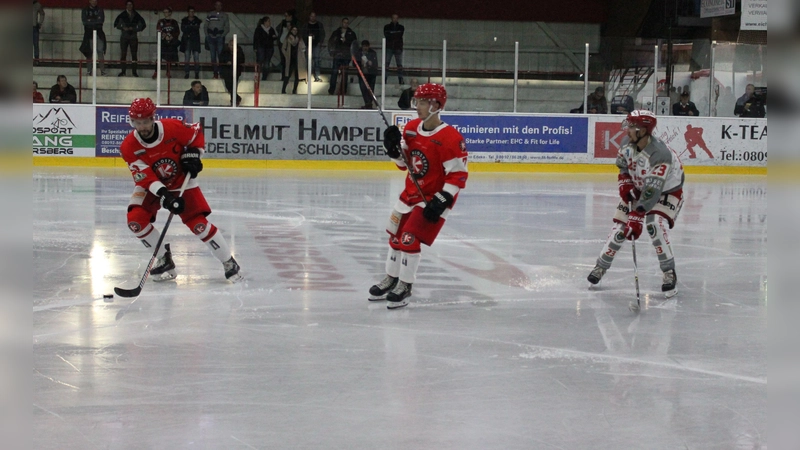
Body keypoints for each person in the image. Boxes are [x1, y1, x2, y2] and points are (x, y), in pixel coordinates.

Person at [120, 98, 242, 283]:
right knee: (135, 220)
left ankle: (229, 262)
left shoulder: (172, 128)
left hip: (181, 181)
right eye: (138, 123)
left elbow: (196, 133)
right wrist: (165, 196)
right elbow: (145, 177)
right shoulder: (129, 146)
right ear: (132, 122)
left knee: (197, 224)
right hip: (152, 188)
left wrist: (195, 154)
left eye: (145, 121)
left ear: (153, 118)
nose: (142, 127)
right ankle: (163, 259)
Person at [370, 83, 469, 309]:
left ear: (436, 105)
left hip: (433, 199)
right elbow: (404, 164)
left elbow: (458, 175)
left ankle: (405, 284)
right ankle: (391, 279)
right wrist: (393, 149)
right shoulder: (412, 128)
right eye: (416, 102)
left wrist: (443, 200)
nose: (417, 107)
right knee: (395, 237)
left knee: (409, 239)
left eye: (422, 102)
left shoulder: (450, 138)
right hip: (410, 195)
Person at [587, 110, 684, 299]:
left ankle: (668, 272)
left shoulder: (660, 154)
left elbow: (653, 190)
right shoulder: (626, 144)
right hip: (642, 188)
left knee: (654, 224)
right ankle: (600, 266)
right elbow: (623, 166)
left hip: (667, 192)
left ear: (643, 130)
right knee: (620, 229)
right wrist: (626, 185)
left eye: (632, 126)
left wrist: (637, 216)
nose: (627, 130)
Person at [113, 0, 146, 77]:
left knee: (134, 55)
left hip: (133, 37)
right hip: (124, 37)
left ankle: (134, 72)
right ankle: (123, 71)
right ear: (126, 6)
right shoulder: (122, 15)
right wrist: (123, 28)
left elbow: (142, 25)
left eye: (131, 5)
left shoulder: (136, 15)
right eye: (128, 5)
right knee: (123, 54)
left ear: (133, 6)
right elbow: (117, 24)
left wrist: (134, 28)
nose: (129, 6)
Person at [327, 17, 357, 95]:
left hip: (346, 56)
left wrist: (346, 41)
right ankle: (331, 90)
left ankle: (343, 90)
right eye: (344, 22)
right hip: (337, 55)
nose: (345, 24)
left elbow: (354, 44)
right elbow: (331, 42)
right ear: (342, 22)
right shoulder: (336, 32)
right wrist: (332, 53)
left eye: (347, 22)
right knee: (334, 72)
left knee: (345, 74)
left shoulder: (351, 33)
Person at [80, 0, 106, 76]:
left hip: (99, 34)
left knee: (100, 52)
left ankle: (103, 71)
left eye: (95, 1)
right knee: (89, 53)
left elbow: (101, 21)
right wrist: (95, 21)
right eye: (92, 0)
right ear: (89, 1)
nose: (94, 2)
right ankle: (89, 71)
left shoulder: (100, 10)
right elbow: (85, 22)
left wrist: (90, 21)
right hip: (89, 34)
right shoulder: (85, 10)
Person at [204, 1, 229, 79]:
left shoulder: (225, 15)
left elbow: (227, 28)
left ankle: (221, 72)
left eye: (220, 5)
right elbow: (206, 26)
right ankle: (215, 72)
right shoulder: (210, 14)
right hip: (211, 37)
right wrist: (207, 35)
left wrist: (222, 35)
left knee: (220, 56)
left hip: (219, 37)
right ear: (215, 6)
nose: (218, 7)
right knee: (213, 56)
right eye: (217, 5)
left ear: (222, 6)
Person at [280, 26, 306, 95]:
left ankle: (294, 90)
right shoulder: (288, 38)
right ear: (291, 30)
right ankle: (283, 90)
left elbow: (303, 48)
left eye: (296, 30)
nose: (294, 31)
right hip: (290, 59)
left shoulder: (300, 39)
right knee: (287, 75)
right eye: (293, 30)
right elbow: (283, 48)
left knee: (297, 76)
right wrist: (286, 56)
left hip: (297, 59)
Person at [300, 11, 325, 83]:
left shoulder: (319, 25)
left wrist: (320, 42)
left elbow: (322, 34)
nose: (313, 18)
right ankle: (308, 76)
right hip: (307, 45)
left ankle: (317, 76)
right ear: (309, 17)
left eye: (314, 16)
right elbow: (302, 34)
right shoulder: (305, 25)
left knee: (317, 60)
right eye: (312, 16)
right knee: (308, 61)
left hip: (316, 44)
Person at [219, 39, 244, 105]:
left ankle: (233, 100)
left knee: (233, 86)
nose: (232, 47)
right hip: (226, 71)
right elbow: (221, 59)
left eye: (234, 45)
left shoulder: (239, 51)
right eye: (231, 45)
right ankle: (236, 98)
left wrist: (233, 62)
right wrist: (226, 61)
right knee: (228, 86)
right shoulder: (224, 51)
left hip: (236, 71)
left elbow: (242, 59)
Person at [354, 40, 378, 108]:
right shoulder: (358, 53)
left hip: (371, 74)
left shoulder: (372, 53)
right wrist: (359, 63)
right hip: (362, 74)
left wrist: (371, 64)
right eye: (364, 46)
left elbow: (375, 64)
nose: (365, 48)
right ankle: (368, 103)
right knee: (363, 89)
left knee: (370, 89)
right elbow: (354, 63)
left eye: (366, 46)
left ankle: (369, 103)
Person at [180, 6, 202, 79]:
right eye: (190, 11)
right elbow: (183, 29)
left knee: (196, 57)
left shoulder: (197, 20)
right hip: (187, 41)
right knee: (187, 57)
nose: (191, 13)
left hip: (195, 41)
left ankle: (196, 73)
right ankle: (187, 72)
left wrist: (189, 28)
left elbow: (196, 28)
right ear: (188, 12)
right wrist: (191, 27)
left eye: (193, 11)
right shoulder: (184, 20)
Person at [253, 16, 277, 81]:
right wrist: (255, 47)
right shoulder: (259, 29)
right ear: (265, 22)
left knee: (267, 63)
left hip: (269, 48)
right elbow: (255, 38)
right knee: (260, 61)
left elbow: (274, 37)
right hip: (261, 47)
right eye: (268, 21)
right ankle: (257, 75)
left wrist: (273, 37)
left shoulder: (271, 29)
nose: (270, 22)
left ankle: (264, 77)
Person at [383, 14, 405, 84]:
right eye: (393, 18)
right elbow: (387, 35)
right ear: (391, 18)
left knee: (399, 65)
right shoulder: (386, 27)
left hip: (397, 48)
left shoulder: (401, 27)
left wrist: (392, 34)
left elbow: (398, 36)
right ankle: (384, 79)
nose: (395, 19)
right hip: (389, 47)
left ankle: (400, 80)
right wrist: (394, 35)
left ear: (398, 19)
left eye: (396, 18)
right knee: (386, 64)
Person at [275, 9, 298, 74]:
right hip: (282, 41)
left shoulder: (295, 22)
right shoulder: (283, 22)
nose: (286, 17)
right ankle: (283, 72)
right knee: (283, 57)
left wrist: (290, 29)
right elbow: (278, 28)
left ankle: (288, 72)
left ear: (291, 16)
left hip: (290, 42)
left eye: (287, 16)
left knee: (288, 58)